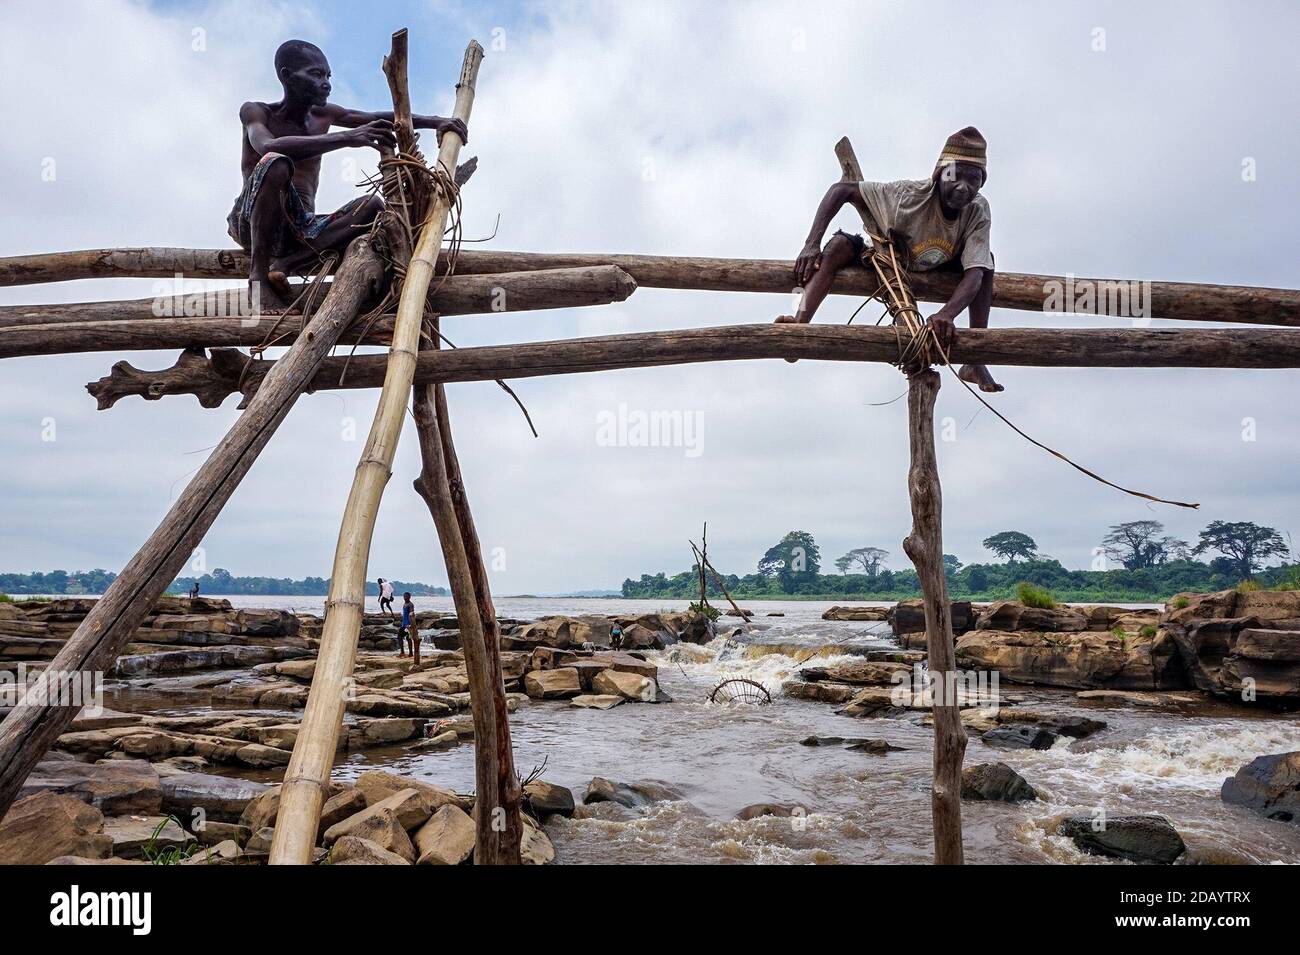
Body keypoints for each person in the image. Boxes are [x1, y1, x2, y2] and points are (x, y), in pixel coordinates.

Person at [230, 39, 468, 314]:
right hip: (251, 223)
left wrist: (435, 121)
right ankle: (258, 280)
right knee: (276, 163)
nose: (327, 83)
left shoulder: (323, 115)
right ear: (286, 75)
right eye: (316, 74)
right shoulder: (256, 111)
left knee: (373, 206)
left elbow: (377, 117)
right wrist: (347, 138)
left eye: (328, 75)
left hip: (300, 229)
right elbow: (267, 147)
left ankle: (286, 265)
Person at [775, 126, 1003, 392]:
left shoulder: (978, 209)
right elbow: (842, 190)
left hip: (941, 264)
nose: (963, 187)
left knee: (985, 263)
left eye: (973, 179)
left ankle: (975, 361)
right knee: (837, 246)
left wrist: (946, 314)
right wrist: (811, 244)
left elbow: (974, 273)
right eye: (955, 176)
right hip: (888, 258)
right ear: (939, 175)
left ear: (981, 183)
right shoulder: (907, 196)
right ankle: (800, 324)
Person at [399, 592, 419, 666]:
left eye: (407, 597)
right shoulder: (404, 604)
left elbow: (412, 614)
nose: (405, 598)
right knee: (399, 637)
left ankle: (410, 653)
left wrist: (411, 624)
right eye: (404, 596)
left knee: (408, 638)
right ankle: (402, 652)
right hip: (403, 624)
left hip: (408, 624)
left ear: (409, 597)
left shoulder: (410, 605)